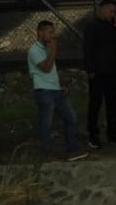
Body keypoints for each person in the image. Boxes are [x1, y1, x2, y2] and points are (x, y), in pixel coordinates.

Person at [27, 21, 86, 162]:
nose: (52, 36)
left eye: (53, 32)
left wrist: (59, 86)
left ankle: (72, 150)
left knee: (70, 117)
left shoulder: (47, 49)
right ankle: (47, 154)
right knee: (46, 123)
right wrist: (54, 50)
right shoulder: (34, 50)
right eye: (50, 32)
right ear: (40, 32)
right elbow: (46, 68)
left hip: (55, 90)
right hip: (43, 91)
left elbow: (51, 72)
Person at [82, 0, 116, 149]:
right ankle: (93, 135)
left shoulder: (113, 26)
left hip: (112, 71)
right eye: (111, 11)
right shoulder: (92, 26)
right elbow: (87, 49)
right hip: (98, 72)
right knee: (95, 103)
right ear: (103, 9)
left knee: (112, 103)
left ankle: (112, 134)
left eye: (115, 12)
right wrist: (90, 69)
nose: (113, 14)